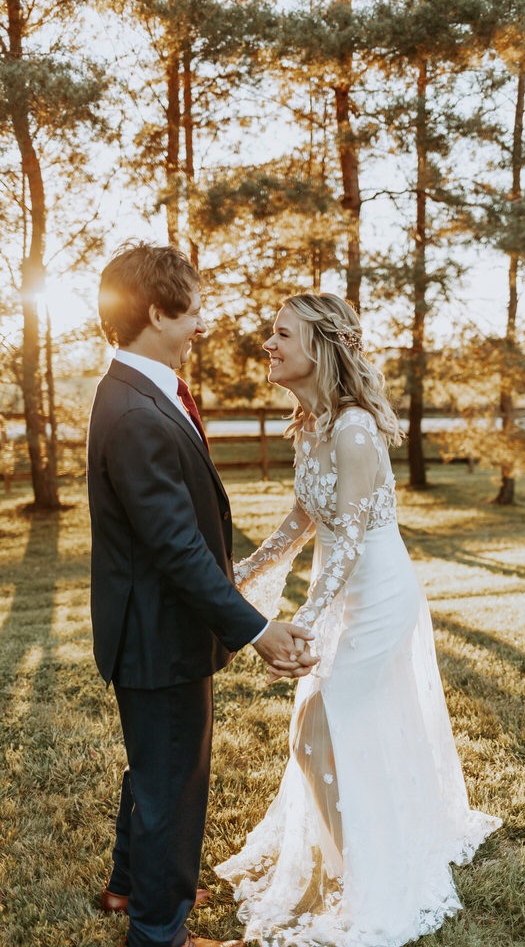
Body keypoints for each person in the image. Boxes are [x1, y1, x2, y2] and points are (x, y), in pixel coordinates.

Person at [215, 292, 502, 947]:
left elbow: (345, 539)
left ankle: (368, 881)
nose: (268, 344)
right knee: (322, 733)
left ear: (318, 346)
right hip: (338, 591)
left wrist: (305, 621)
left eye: (281, 334)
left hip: (376, 597)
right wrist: (241, 575)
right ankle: (359, 862)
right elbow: (301, 521)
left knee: (322, 727)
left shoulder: (352, 428)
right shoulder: (311, 424)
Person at [87, 242, 316, 947]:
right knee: (172, 786)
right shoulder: (134, 411)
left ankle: (129, 888)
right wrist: (255, 628)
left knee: (153, 768)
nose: (202, 324)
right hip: (159, 634)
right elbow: (175, 548)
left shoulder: (142, 390)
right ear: (158, 311)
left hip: (153, 626)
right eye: (194, 308)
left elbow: (186, 526)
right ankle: (160, 933)